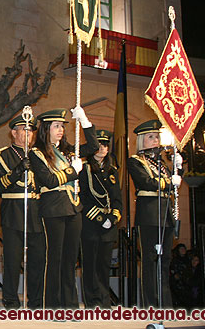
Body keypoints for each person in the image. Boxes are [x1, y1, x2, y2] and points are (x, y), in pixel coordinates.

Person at [29, 107, 98, 309]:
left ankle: (70, 305)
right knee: (55, 258)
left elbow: (93, 146)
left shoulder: (68, 150)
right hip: (53, 208)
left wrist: (84, 120)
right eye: (56, 126)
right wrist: (72, 171)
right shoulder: (37, 153)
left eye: (62, 126)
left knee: (70, 260)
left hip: (73, 208)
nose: (60, 130)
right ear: (46, 129)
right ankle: (53, 305)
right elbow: (49, 180)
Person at [0, 114, 45, 310]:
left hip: (36, 210)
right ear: (14, 132)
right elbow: (0, 185)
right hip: (13, 210)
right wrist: (18, 170)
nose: (29, 134)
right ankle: (11, 299)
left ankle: (36, 300)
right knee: (13, 258)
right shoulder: (2, 154)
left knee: (37, 257)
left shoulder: (38, 154)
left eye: (31, 131)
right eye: (24, 130)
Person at [129, 119, 178, 308]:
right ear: (142, 140)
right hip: (149, 214)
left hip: (165, 213)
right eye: (151, 137)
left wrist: (177, 167)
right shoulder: (136, 161)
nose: (155, 140)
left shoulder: (162, 163)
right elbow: (146, 183)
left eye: (157, 136)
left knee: (165, 260)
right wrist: (169, 182)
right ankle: (151, 304)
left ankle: (165, 304)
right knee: (150, 260)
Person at [79, 129, 122, 309]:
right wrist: (99, 217)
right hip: (91, 223)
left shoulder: (112, 171)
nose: (103, 148)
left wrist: (113, 217)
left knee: (104, 267)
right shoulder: (84, 169)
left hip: (108, 225)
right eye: (99, 144)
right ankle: (92, 302)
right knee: (89, 266)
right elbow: (82, 198)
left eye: (105, 145)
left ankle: (104, 302)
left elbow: (117, 199)